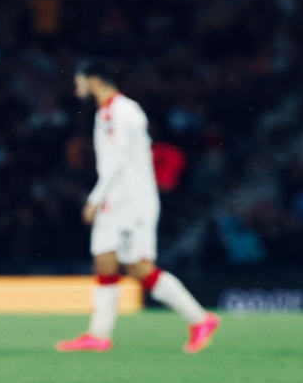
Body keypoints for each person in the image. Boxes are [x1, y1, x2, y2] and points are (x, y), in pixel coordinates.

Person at [56, 59, 220, 354]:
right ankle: (99, 335)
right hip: (114, 201)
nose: (76, 86)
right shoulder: (104, 113)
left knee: (139, 267)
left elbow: (118, 162)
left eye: (79, 79)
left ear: (94, 80)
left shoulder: (124, 112)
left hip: (133, 202)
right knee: (104, 261)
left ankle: (200, 319)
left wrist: (94, 199)